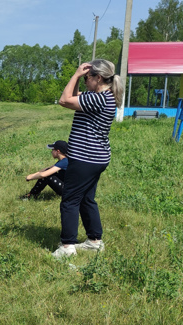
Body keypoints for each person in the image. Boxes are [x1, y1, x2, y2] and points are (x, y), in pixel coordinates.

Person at [53, 59, 124, 259]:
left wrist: (75, 74)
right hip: (97, 157)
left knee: (70, 200)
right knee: (86, 198)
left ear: (98, 78)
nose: (84, 81)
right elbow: (73, 96)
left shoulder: (99, 99)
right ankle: (94, 241)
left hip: (85, 158)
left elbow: (64, 100)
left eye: (87, 78)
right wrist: (78, 78)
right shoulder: (102, 96)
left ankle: (67, 247)